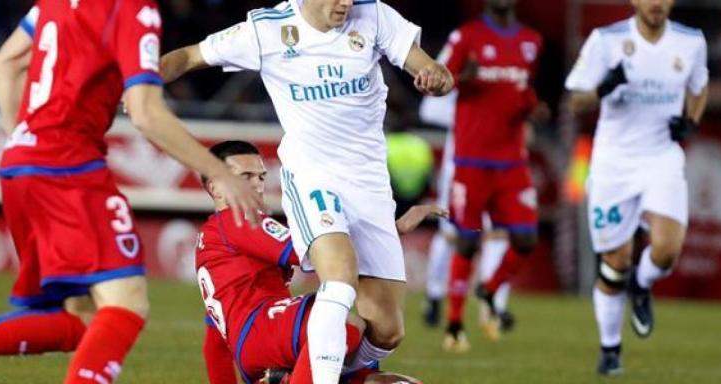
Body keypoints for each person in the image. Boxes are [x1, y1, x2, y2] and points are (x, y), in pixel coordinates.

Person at [0, 2, 262, 383]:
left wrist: (26, 144)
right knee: (126, 304)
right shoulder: (132, 8)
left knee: (84, 317)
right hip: (68, 166)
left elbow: (4, 64)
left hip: (21, 163)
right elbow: (145, 113)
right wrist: (218, 172)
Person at [160, 1, 453, 382]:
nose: (346, 3)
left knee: (386, 328)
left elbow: (431, 69)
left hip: (368, 184)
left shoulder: (375, 15)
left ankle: (312, 376)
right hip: (313, 175)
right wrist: (137, 87)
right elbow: (187, 57)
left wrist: (436, 76)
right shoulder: (266, 29)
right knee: (340, 276)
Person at [195, 140, 438, 384]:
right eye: (245, 177)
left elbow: (213, 342)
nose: (257, 185)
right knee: (338, 321)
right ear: (216, 188)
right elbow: (315, 250)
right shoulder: (238, 218)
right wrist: (390, 230)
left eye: (261, 177)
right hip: (262, 332)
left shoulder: (212, 239)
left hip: (258, 344)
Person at [564, 0, 709, 376]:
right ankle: (610, 349)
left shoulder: (691, 42)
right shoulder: (606, 40)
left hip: (662, 157)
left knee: (667, 250)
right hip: (614, 163)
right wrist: (605, 86)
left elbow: (699, 87)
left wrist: (691, 121)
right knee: (616, 262)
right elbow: (575, 100)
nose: (656, 4)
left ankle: (642, 285)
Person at [436, 0, 549, 352]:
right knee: (467, 241)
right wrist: (460, 79)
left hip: (512, 160)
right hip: (472, 160)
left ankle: (489, 288)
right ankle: (454, 323)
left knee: (526, 239)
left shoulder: (531, 41)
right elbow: (436, 81)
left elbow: (522, 89)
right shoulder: (465, 37)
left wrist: (533, 108)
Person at [418, 92, 516, 338]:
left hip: (500, 163)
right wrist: (474, 115)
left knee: (499, 233)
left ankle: (494, 305)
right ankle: (435, 294)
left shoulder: (511, 71)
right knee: (453, 236)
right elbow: (429, 109)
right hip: (462, 164)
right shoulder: (461, 69)